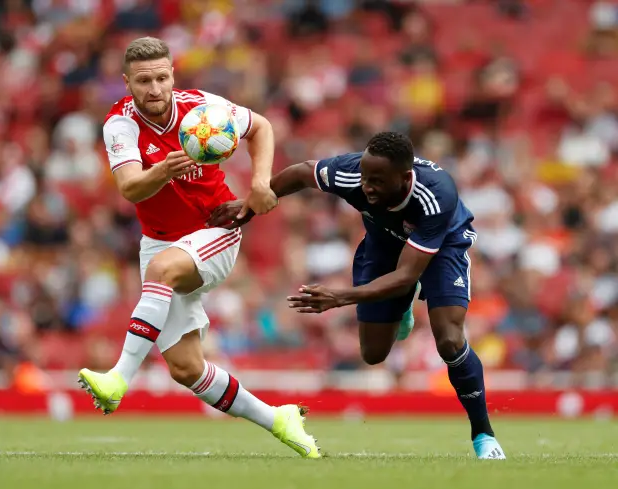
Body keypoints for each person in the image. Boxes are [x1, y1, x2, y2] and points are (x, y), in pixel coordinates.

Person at [77, 37, 320, 459]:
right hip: (159, 242)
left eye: (161, 77)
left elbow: (260, 126)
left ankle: (117, 378)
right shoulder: (120, 124)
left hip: (216, 229)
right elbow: (131, 187)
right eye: (143, 81)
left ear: (173, 74)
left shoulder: (201, 108)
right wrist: (164, 170)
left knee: (162, 273)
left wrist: (260, 183)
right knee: (187, 368)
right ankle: (280, 419)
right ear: (127, 82)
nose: (154, 89)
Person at [208, 132, 505, 460]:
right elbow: (302, 172)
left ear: (404, 178)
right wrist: (250, 205)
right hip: (382, 246)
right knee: (374, 353)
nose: (366, 186)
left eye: (377, 180)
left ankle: (483, 435)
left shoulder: (437, 195)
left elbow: (407, 272)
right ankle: (401, 301)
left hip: (440, 248)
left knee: (448, 339)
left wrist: (340, 297)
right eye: (364, 177)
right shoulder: (351, 173)